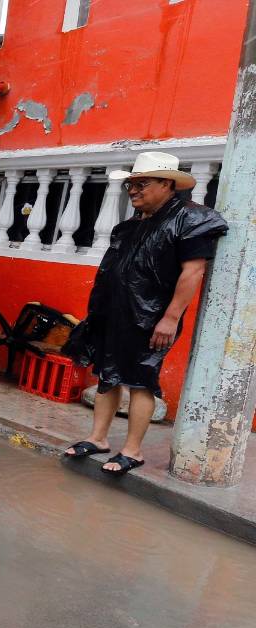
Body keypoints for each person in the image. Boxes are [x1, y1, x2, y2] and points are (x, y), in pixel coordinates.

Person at [62, 152, 227, 474]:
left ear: (167, 184)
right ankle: (98, 438)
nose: (133, 191)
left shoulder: (190, 219)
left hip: (152, 318)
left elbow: (193, 271)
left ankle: (132, 451)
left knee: (141, 381)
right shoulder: (129, 227)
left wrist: (171, 317)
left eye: (142, 184)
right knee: (107, 375)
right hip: (113, 312)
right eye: (131, 185)